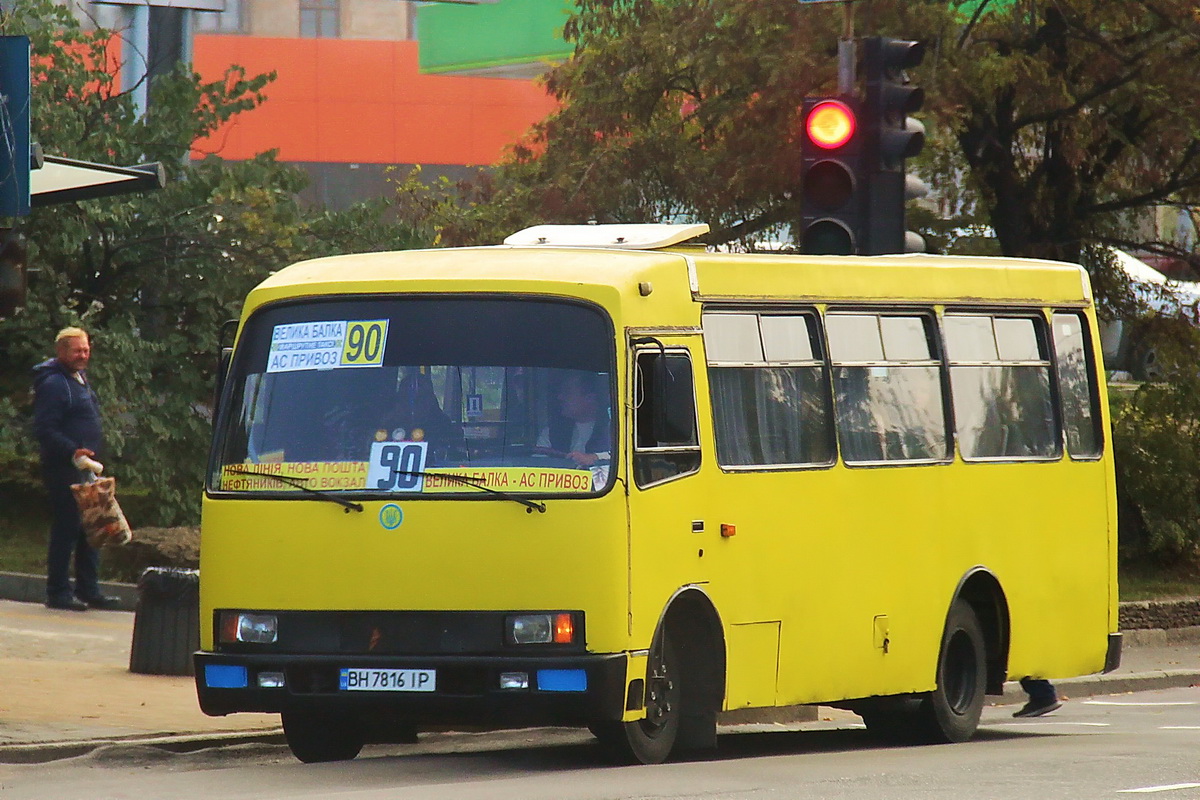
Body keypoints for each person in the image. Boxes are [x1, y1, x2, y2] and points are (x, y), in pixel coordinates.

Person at [32, 327, 119, 611]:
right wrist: (72, 451)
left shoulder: (79, 378)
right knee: (67, 528)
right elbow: (44, 428)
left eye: (86, 349)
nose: (83, 355)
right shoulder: (55, 384)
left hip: (87, 468)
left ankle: (89, 589)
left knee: (92, 526)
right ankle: (58, 592)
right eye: (77, 350)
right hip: (64, 469)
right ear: (61, 352)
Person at [536, 373, 611, 468]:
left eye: (567, 392)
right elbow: (539, 465)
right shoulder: (551, 433)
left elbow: (625, 456)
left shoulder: (612, 431)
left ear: (589, 398)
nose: (560, 397)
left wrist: (595, 458)